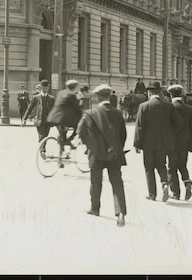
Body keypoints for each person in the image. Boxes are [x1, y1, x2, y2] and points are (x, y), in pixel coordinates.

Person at [77, 84, 128, 227]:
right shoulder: (118, 113)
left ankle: (95, 208)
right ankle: (121, 212)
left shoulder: (90, 113)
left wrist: (90, 146)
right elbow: (123, 135)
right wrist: (117, 148)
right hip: (114, 155)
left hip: (96, 154)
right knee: (117, 183)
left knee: (95, 182)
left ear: (98, 97)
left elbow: (80, 132)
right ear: (109, 97)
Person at [134, 80, 183, 202]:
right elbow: (179, 123)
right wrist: (170, 134)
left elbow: (139, 127)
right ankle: (165, 183)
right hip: (163, 143)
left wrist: (137, 143)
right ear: (160, 92)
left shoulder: (143, 106)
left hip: (148, 144)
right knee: (161, 165)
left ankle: (152, 194)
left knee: (149, 168)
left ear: (149, 93)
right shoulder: (168, 105)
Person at [167, 85, 192, 200]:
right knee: (182, 165)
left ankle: (175, 193)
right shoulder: (189, 108)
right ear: (181, 94)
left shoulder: (169, 108)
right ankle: (187, 182)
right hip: (185, 142)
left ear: (171, 95)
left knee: (172, 167)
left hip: (172, 143)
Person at [47, 79, 82, 148]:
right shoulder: (71, 95)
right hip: (63, 118)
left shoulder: (60, 93)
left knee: (63, 133)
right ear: (75, 87)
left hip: (53, 117)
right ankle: (70, 139)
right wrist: (81, 116)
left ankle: (62, 147)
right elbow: (76, 108)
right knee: (79, 126)